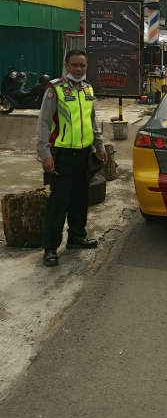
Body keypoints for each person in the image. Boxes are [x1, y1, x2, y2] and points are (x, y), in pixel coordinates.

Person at [37, 50, 108, 267]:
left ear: (86, 67)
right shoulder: (55, 89)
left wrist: (99, 145)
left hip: (84, 153)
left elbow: (92, 119)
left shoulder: (88, 89)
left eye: (82, 65)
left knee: (80, 198)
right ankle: (50, 248)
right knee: (59, 202)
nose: (78, 69)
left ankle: (77, 237)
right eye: (74, 65)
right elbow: (44, 123)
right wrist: (45, 155)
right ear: (66, 65)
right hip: (62, 155)